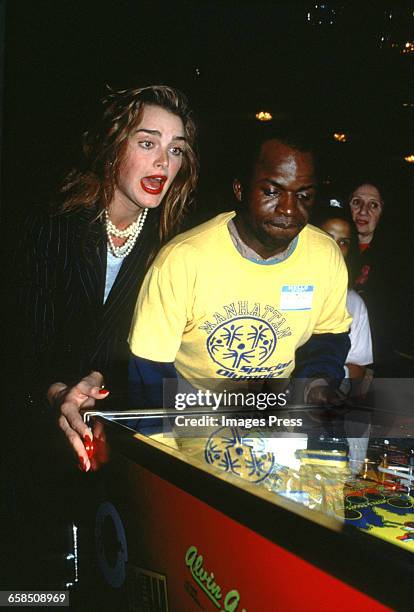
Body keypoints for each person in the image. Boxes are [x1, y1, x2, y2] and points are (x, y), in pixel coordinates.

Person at [11, 85, 198, 470]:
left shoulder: (176, 247)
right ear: (112, 146)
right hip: (25, 435)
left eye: (175, 149)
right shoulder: (50, 222)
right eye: (148, 143)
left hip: (119, 440)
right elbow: (19, 343)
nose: (163, 162)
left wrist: (101, 378)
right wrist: (56, 392)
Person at [128, 128, 351, 407]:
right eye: (272, 192)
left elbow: (328, 335)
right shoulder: (183, 259)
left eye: (303, 196)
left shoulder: (324, 254)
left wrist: (316, 385)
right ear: (240, 189)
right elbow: (149, 371)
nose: (289, 209)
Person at [314, 205, 373, 381]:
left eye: (343, 242)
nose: (335, 248)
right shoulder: (283, 288)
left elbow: (358, 369)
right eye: (327, 238)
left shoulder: (353, 302)